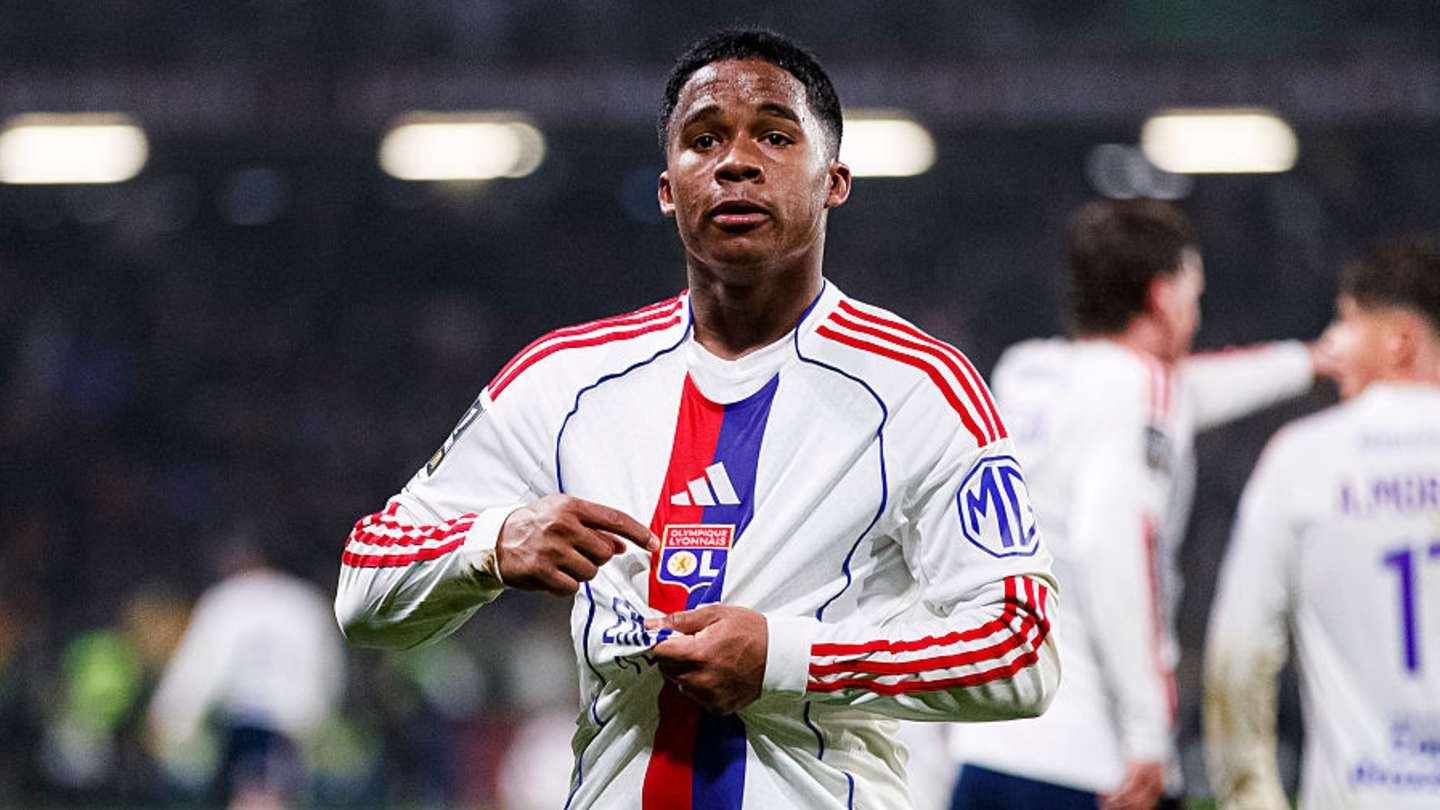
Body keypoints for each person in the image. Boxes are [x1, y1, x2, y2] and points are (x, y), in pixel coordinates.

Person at [335, 28, 1060, 810]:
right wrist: (491, 544)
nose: (735, 162)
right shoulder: (564, 380)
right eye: (704, 140)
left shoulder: (921, 387)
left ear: (834, 182)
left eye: (775, 136)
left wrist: (786, 658)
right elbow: (365, 589)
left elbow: (1021, 649)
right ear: (667, 188)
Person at [948, 199, 1334, 810]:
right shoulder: (1140, 390)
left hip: (986, 748)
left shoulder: (1025, 373)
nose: (1197, 312)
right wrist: (1147, 734)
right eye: (1193, 294)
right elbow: (1113, 546)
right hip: (1094, 764)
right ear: (1162, 297)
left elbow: (1187, 392)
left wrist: (1309, 361)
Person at [1205, 237, 1440, 809]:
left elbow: (1239, 653)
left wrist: (1249, 796)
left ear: (1400, 340)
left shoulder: (1304, 459)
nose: (1332, 344)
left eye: (1347, 323)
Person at [148, 530, 346, 809]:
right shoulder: (306, 601)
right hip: (295, 723)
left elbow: (200, 666)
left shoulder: (225, 600)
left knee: (252, 796)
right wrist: (321, 716)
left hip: (245, 720)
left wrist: (171, 713)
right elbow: (329, 668)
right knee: (279, 796)